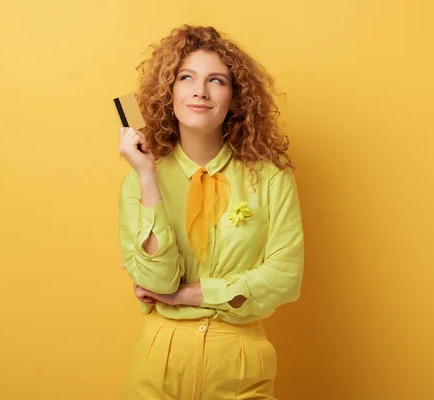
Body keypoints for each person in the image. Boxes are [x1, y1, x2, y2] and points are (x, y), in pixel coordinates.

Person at [117, 24, 304, 400]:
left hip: (239, 365)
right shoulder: (138, 183)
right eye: (186, 77)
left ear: (235, 98)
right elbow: (158, 280)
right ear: (168, 93)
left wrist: (188, 296)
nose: (200, 91)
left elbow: (285, 278)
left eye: (216, 80)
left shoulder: (271, 177)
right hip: (158, 364)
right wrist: (148, 177)